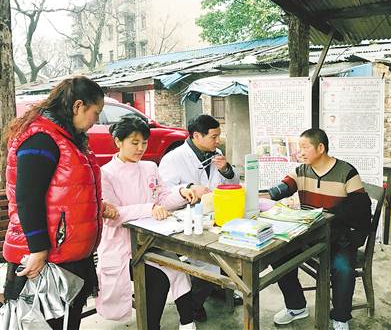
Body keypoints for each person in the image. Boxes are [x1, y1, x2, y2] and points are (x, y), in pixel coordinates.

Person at [3, 76, 116, 330]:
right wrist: (38, 250)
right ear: (78, 106)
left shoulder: (68, 138)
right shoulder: (41, 139)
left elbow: (68, 191)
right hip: (45, 257)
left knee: (66, 322)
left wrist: (96, 206)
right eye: (95, 112)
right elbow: (27, 197)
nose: (96, 121)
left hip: (68, 254)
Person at [97, 115, 196, 330]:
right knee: (159, 280)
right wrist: (148, 208)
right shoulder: (106, 173)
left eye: (144, 142)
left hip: (153, 240)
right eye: (134, 142)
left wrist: (182, 193)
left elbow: (162, 199)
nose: (140, 148)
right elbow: (113, 215)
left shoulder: (149, 167)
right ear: (118, 141)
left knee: (180, 270)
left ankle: (188, 322)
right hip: (124, 247)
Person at [267, 128, 372, 330]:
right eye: (299, 148)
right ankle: (296, 307)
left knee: (343, 268)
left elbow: (360, 208)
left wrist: (327, 215)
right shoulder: (302, 170)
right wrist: (266, 197)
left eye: (305, 147)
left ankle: (341, 317)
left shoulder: (346, 172)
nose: (300, 153)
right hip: (309, 234)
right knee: (278, 256)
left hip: (339, 236)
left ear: (321, 148)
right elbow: (285, 186)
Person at [158, 114, 240, 321]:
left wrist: (227, 169)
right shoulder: (173, 159)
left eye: (218, 136)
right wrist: (188, 189)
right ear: (196, 136)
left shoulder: (217, 153)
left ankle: (217, 287)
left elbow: (230, 182)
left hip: (214, 216)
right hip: (184, 220)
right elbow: (164, 195)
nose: (218, 141)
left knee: (236, 252)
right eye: (214, 137)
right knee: (209, 261)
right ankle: (193, 303)